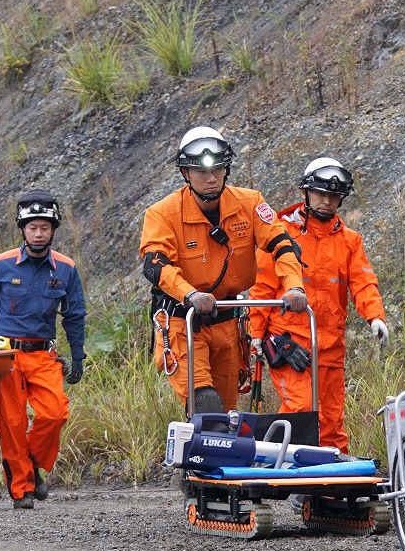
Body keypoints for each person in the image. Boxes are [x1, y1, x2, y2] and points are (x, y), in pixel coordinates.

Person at [140, 126, 309, 415]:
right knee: (205, 404)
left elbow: (282, 244)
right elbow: (156, 264)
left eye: (217, 169)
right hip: (185, 322)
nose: (210, 178)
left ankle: (211, 460)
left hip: (228, 323)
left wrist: (294, 286)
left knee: (227, 412)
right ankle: (195, 457)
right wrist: (189, 294)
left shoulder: (250, 203)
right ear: (185, 174)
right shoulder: (163, 214)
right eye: (201, 172)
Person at [248, 158, 387, 455]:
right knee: (301, 413)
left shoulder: (350, 241)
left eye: (333, 196)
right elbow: (262, 287)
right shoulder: (282, 234)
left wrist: (375, 316)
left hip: (330, 348)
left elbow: (363, 283)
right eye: (321, 194)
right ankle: (302, 487)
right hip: (290, 343)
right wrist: (257, 335)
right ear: (306, 193)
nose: (326, 201)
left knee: (332, 423)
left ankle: (331, 490)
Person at [0, 190, 86, 510]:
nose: (39, 233)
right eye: (33, 227)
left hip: (42, 354)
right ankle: (21, 487)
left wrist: (78, 356)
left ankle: (31, 462)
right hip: (5, 355)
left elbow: (75, 314)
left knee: (55, 413)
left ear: (53, 230)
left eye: (45, 227)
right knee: (12, 422)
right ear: (22, 229)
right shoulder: (1, 264)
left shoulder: (65, 269)